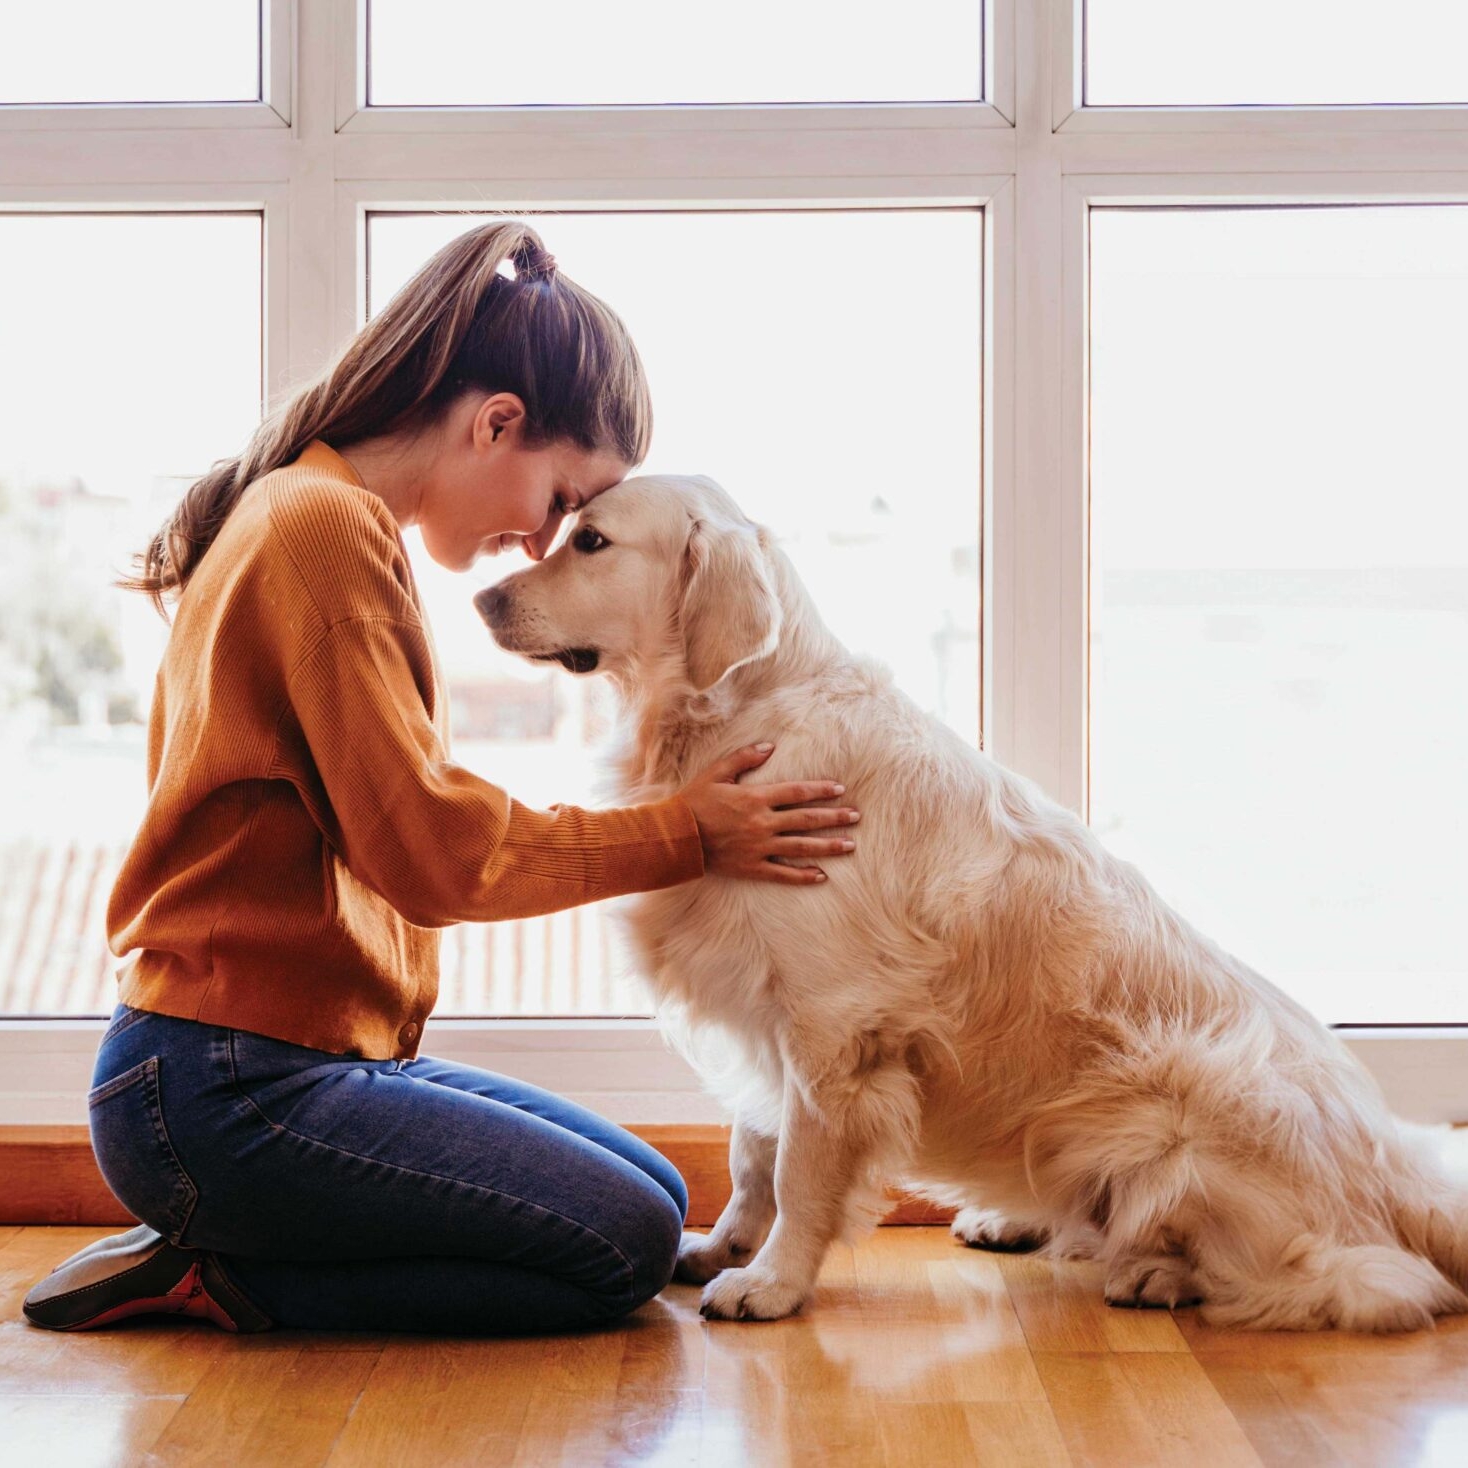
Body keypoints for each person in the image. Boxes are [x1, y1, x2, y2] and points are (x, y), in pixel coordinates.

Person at [22, 221, 859, 1336]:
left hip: (285, 1065)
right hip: (219, 1090)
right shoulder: (321, 531)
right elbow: (433, 854)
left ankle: (228, 1232)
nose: (540, 542)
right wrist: (686, 832)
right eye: (562, 500)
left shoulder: (316, 510)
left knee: (658, 1201)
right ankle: (218, 1272)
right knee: (618, 1248)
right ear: (495, 422)